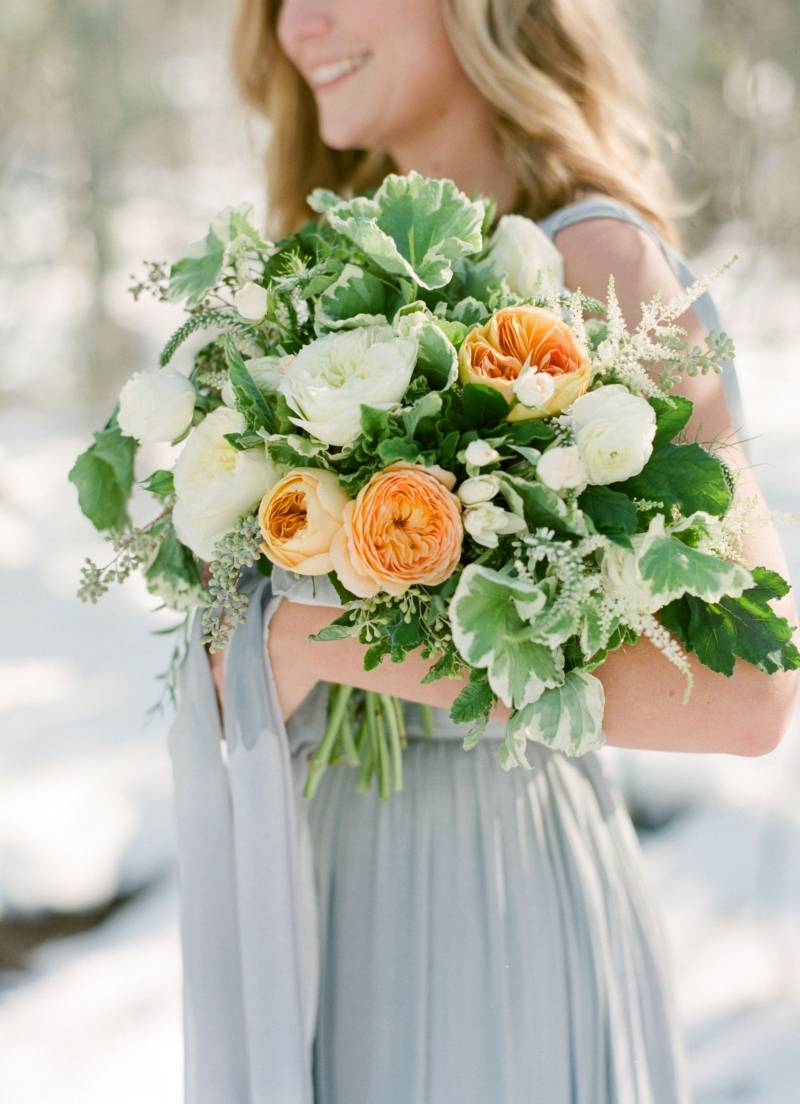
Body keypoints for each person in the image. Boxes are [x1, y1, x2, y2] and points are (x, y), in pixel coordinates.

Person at [168, 2, 799, 1103]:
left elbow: (746, 695)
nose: (296, 25)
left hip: (491, 903)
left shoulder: (597, 258)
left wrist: (323, 642)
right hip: (327, 904)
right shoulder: (310, 292)